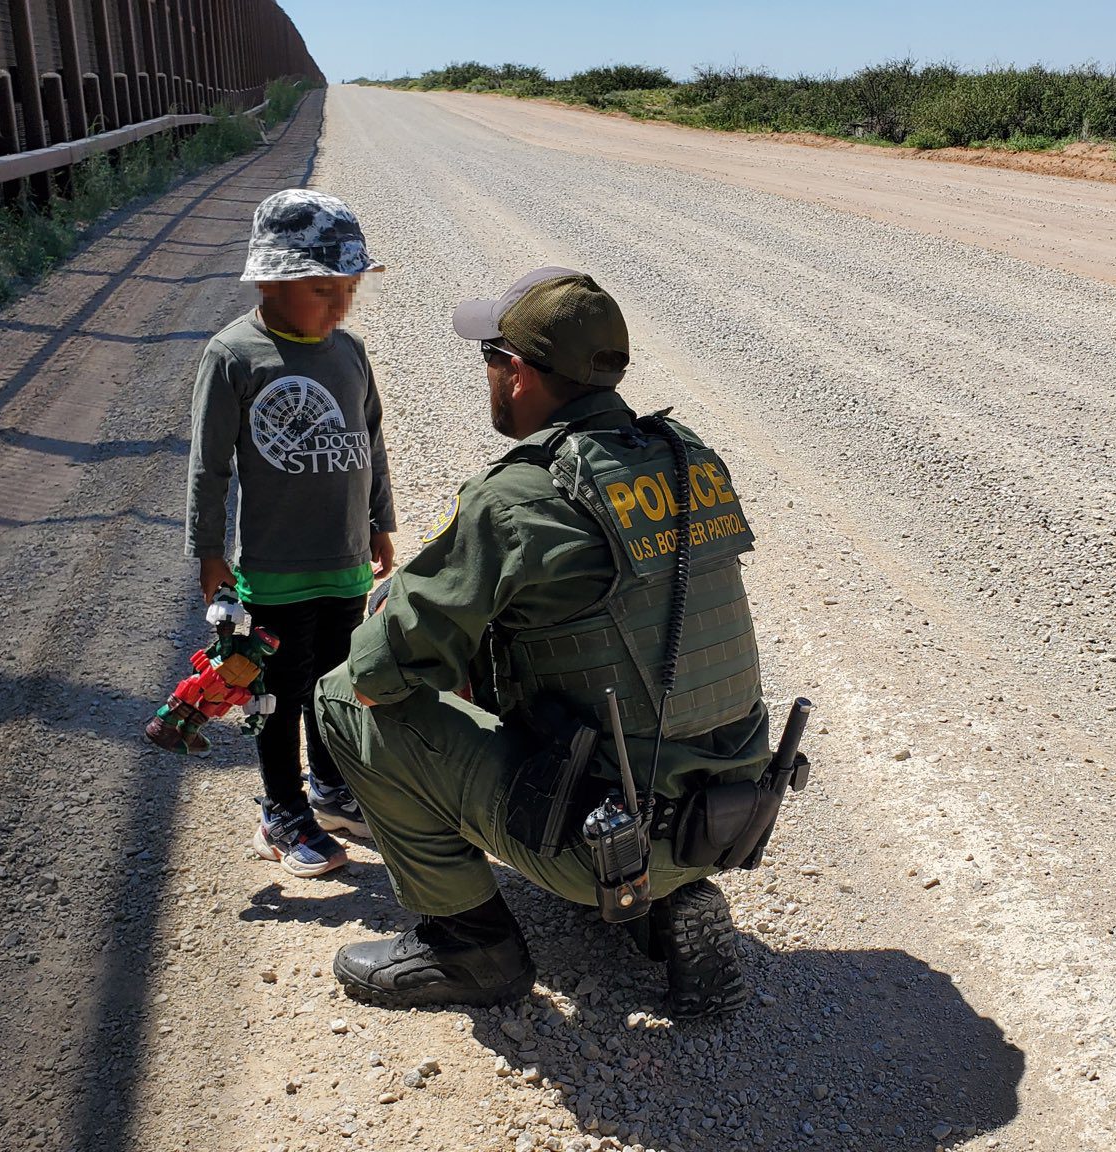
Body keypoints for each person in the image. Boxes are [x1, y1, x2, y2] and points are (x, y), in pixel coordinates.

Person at [315, 267, 773, 1016]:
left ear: (520, 375)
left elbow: (378, 672)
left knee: (342, 697)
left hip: (609, 823)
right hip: (727, 805)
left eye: (491, 361)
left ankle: (471, 947)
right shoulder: (688, 457)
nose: (489, 377)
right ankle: (666, 901)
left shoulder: (522, 498)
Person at [185, 189, 397, 879]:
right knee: (277, 692)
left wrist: (380, 522)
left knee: (337, 684)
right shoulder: (235, 356)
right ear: (270, 280)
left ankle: (331, 792)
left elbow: (371, 442)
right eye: (322, 289)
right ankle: (280, 811)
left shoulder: (351, 353)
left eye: (349, 289)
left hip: (343, 564)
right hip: (275, 567)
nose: (339, 306)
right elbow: (210, 465)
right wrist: (210, 551)